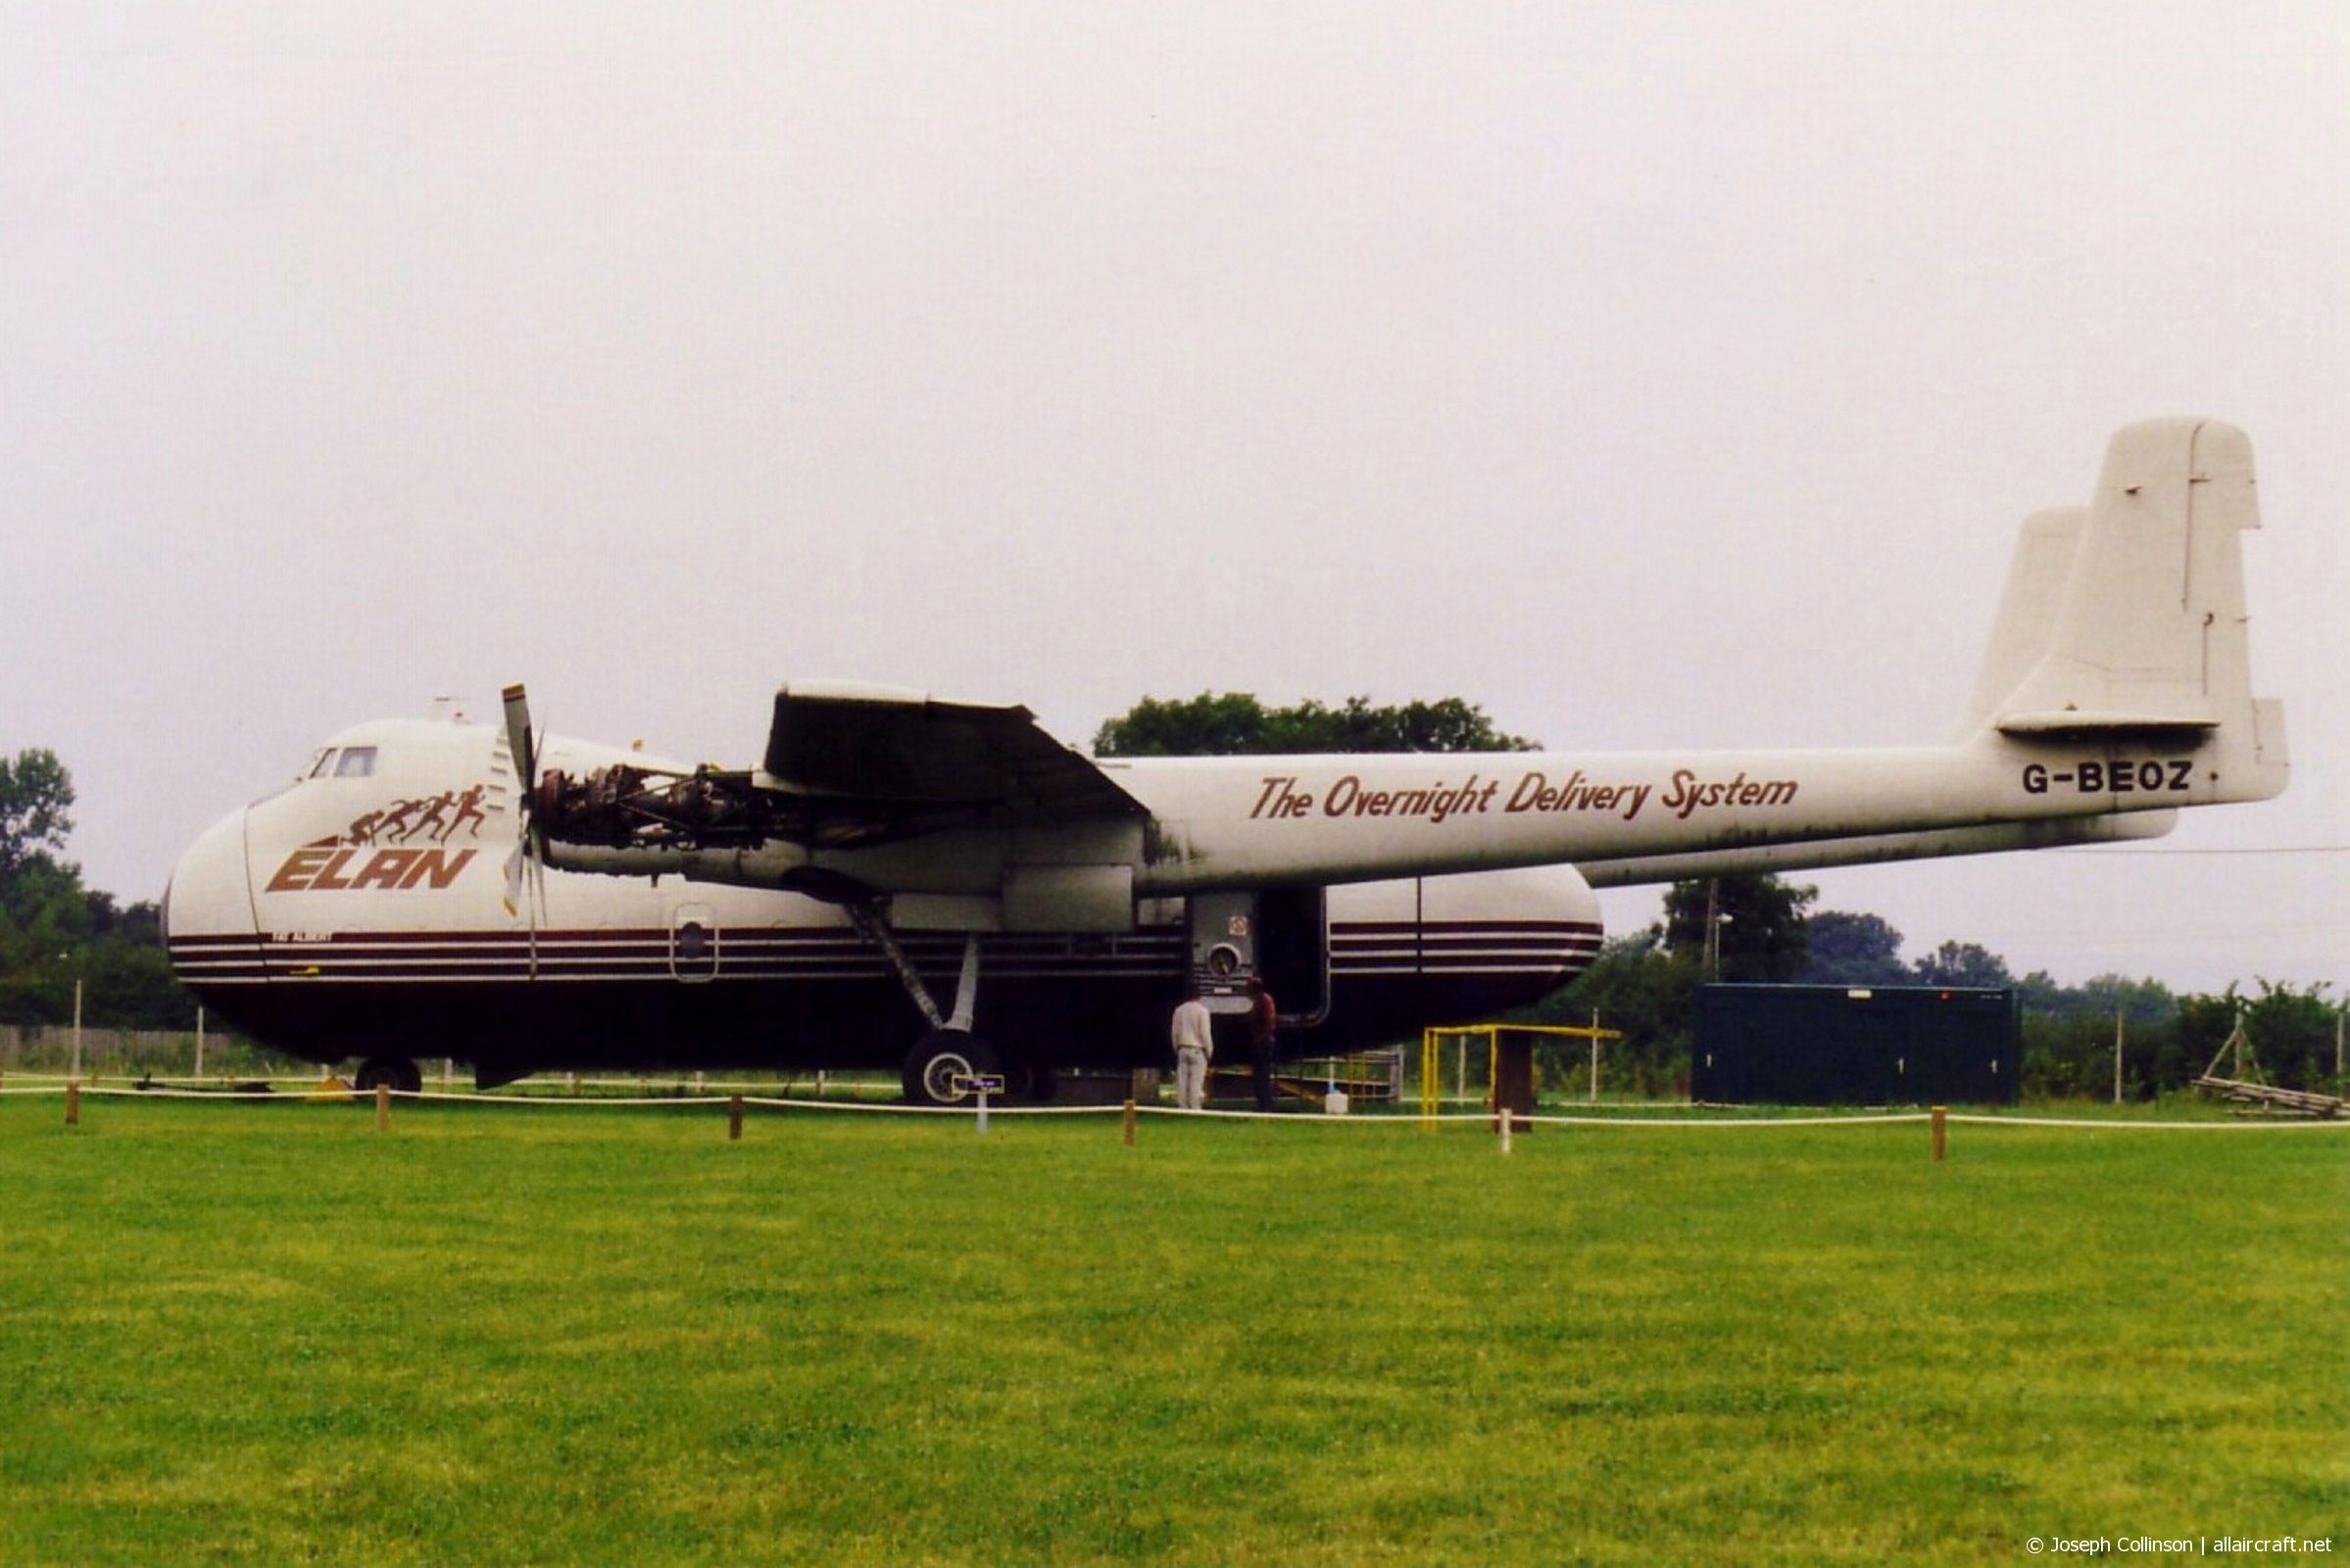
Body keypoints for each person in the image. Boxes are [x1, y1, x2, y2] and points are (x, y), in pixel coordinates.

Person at [1170, 985, 1213, 1111]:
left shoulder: (1179, 1010)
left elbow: (1174, 1032)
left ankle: (1182, 1106)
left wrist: (1176, 1048)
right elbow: (1205, 1033)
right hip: (1197, 1049)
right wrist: (1209, 1051)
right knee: (1196, 1080)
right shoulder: (1203, 1011)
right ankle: (1195, 1107)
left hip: (1182, 1048)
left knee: (1182, 1081)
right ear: (1200, 996)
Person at [1246, 978, 1279, 1111]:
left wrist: (1261, 1036)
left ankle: (1266, 1105)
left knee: (1263, 1074)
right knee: (1258, 1074)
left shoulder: (1264, 1000)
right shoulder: (1258, 1001)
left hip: (1263, 1041)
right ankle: (1262, 1104)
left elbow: (1269, 1020)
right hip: (1260, 1040)